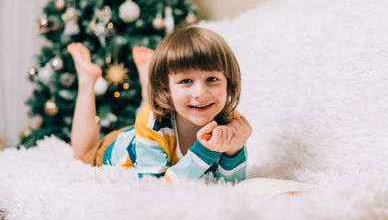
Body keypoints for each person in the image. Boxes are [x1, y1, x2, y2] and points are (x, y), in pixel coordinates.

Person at [67, 27, 252, 182]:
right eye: (186, 81)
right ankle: (87, 80)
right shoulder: (151, 123)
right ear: (166, 89)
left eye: (212, 79)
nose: (201, 93)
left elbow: (229, 186)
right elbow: (154, 189)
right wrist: (204, 152)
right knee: (81, 156)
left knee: (154, 113)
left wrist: (233, 150)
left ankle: (149, 80)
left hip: (156, 126)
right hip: (118, 145)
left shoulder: (230, 120)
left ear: (229, 83)